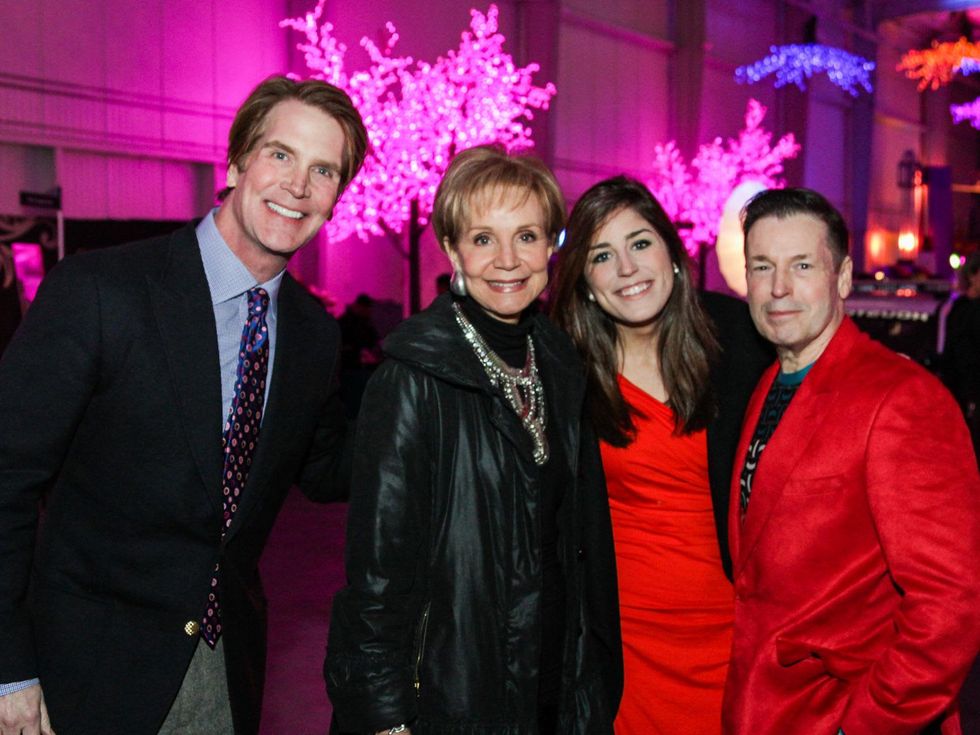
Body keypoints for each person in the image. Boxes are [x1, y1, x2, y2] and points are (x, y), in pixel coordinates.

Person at [0, 75, 368, 735]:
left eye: (324, 170)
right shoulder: (101, 291)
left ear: (337, 196)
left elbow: (325, 466)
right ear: (236, 162)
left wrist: (438, 401)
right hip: (83, 676)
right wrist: (10, 669)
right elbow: (5, 480)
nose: (298, 184)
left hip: (227, 674)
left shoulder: (314, 333)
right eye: (280, 155)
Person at [325, 144, 622, 734]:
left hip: (550, 687)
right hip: (451, 694)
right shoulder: (413, 376)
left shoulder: (561, 363)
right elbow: (376, 576)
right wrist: (385, 718)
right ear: (454, 249)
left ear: (550, 247)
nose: (508, 260)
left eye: (527, 236)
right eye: (483, 238)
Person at [724, 187, 980, 734]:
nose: (778, 288)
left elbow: (949, 606)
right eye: (762, 266)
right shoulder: (769, 382)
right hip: (767, 709)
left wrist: (863, 725)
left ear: (842, 279)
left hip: (844, 715)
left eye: (801, 265)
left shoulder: (903, 398)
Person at [550, 176, 772, 733]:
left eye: (640, 242)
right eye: (603, 255)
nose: (627, 267)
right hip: (626, 647)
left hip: (739, 634)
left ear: (673, 253)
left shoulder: (743, 342)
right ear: (584, 282)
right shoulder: (563, 374)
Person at [943, 250, 980, 458]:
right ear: (974, 275)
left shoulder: (959, 308)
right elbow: (958, 357)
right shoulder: (964, 310)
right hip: (967, 396)